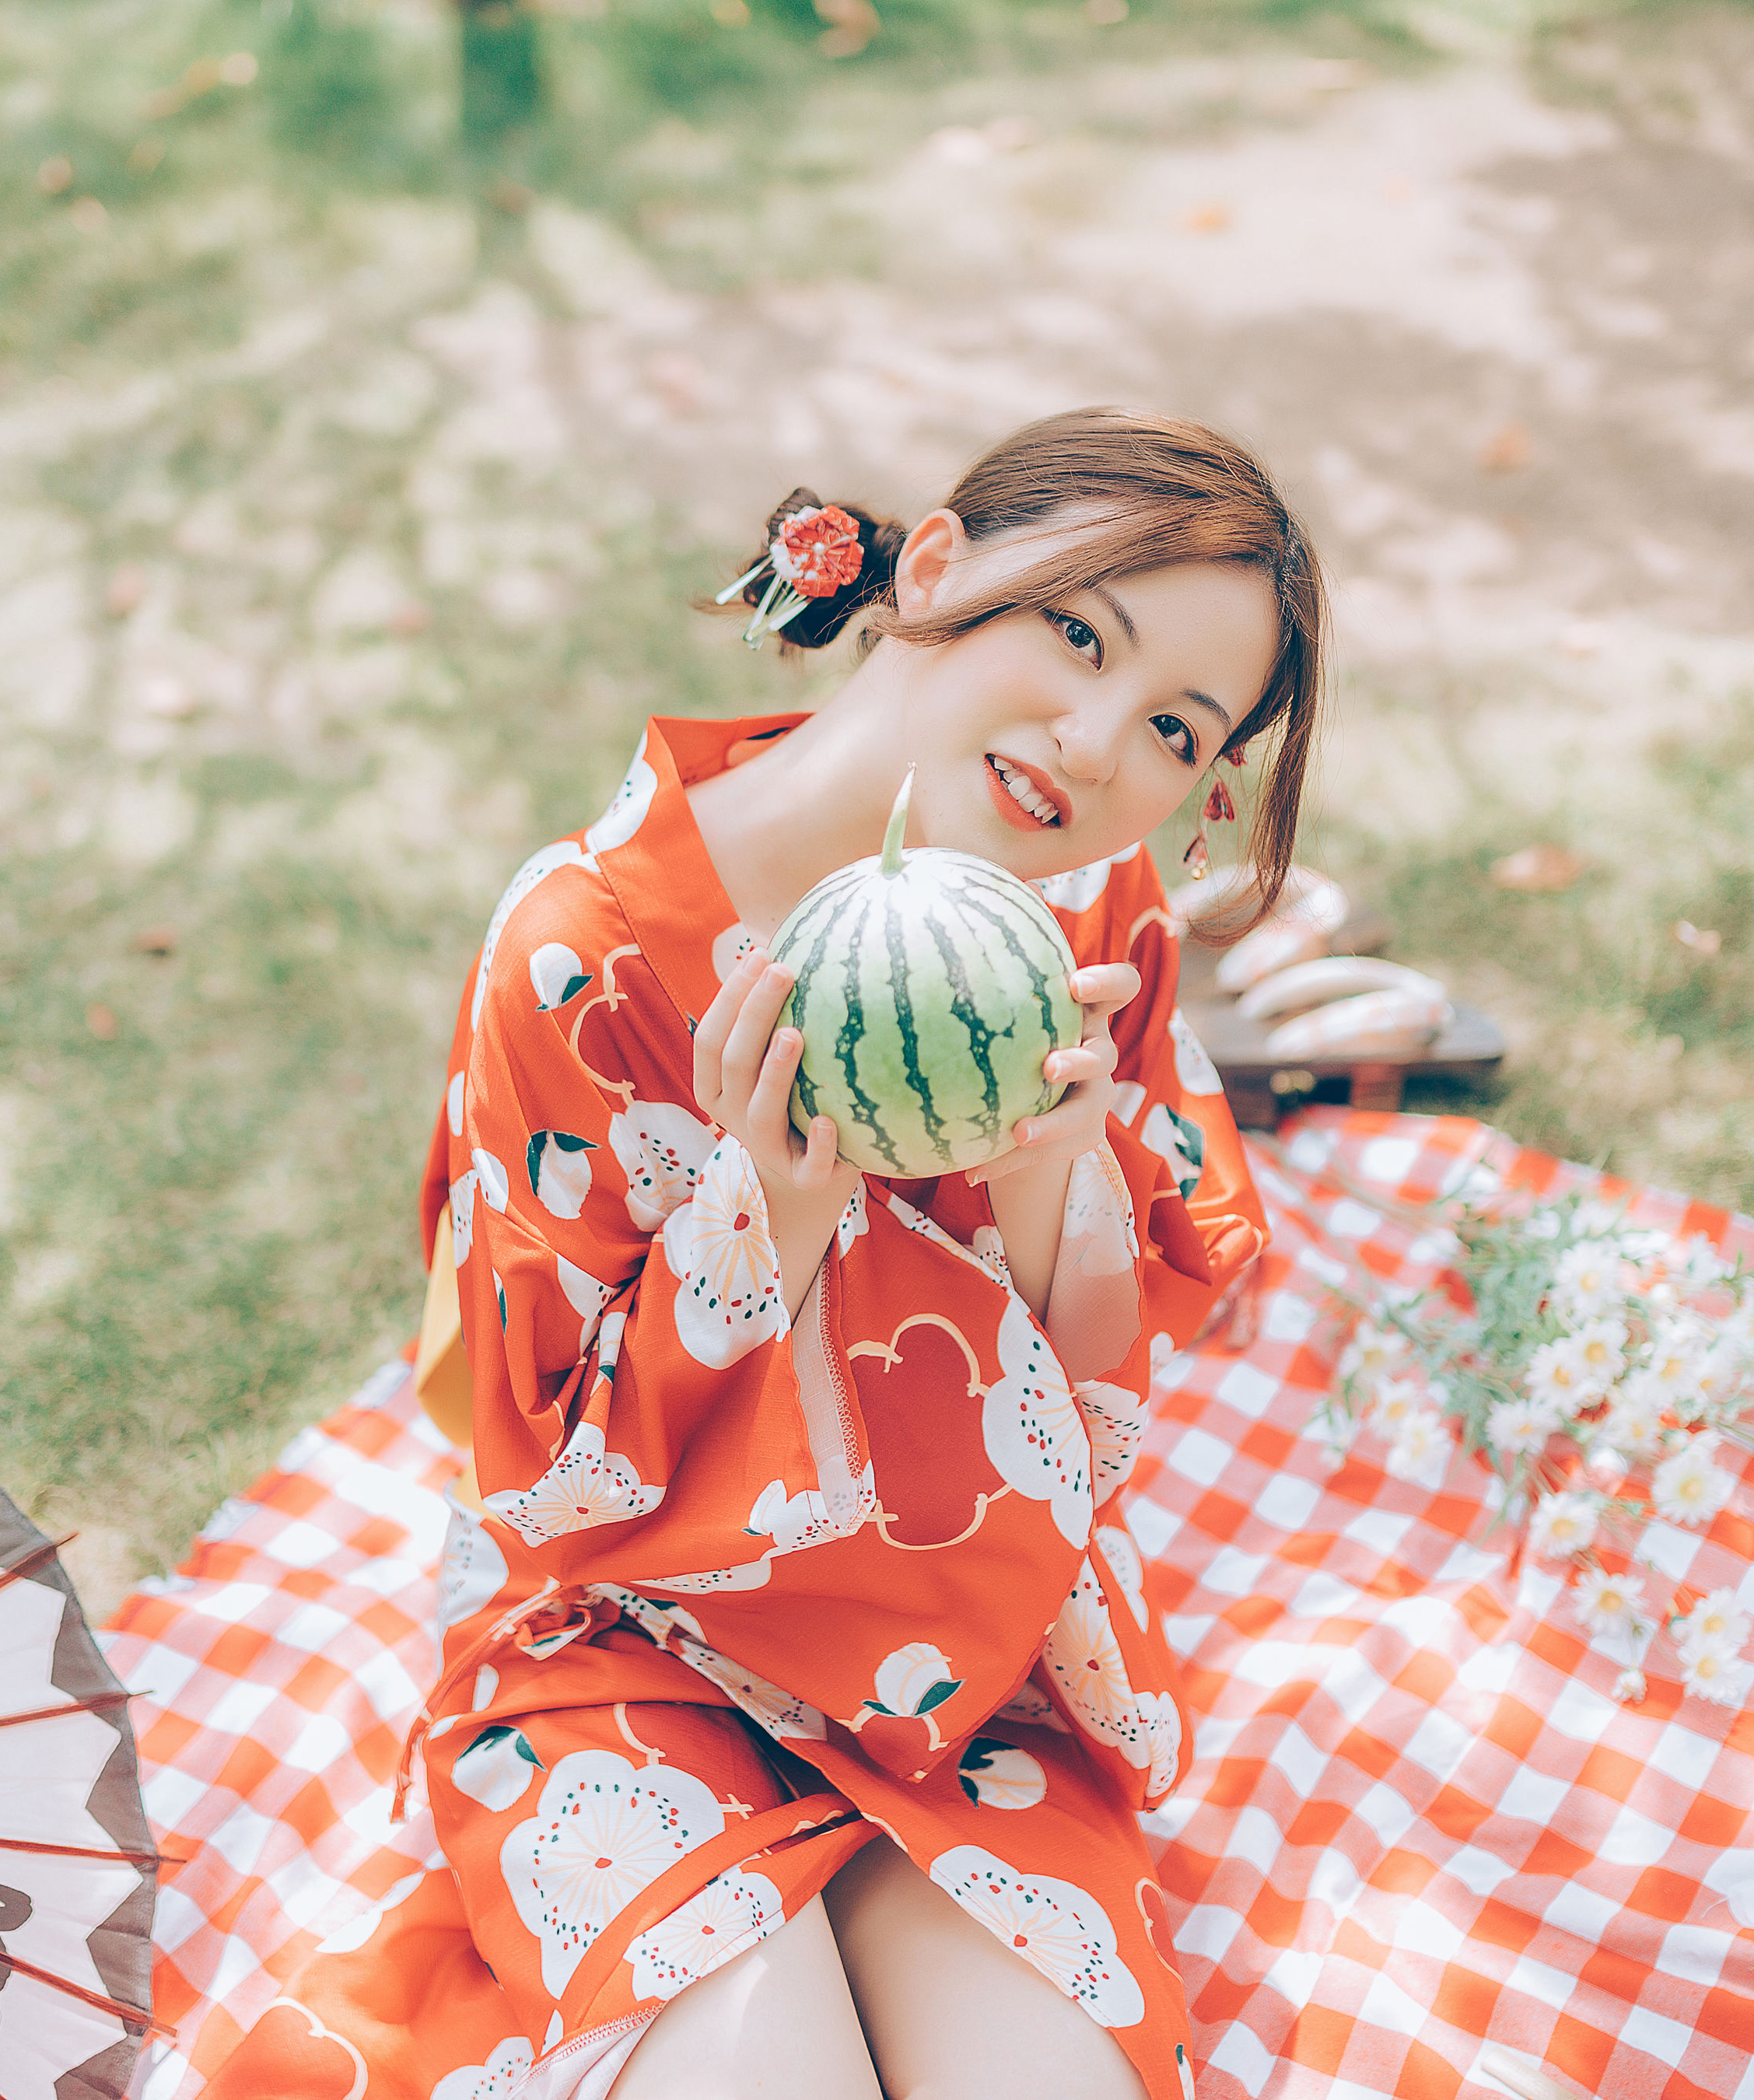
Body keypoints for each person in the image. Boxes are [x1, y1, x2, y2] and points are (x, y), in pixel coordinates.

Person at [309, 406, 1324, 2100]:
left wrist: (1046, 1178)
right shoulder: (588, 953)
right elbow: (543, 1476)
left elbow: (1093, 1432)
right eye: (1076, 632)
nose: (1090, 742)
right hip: (627, 1652)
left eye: (1170, 728)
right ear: (933, 565)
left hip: (960, 1666)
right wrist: (759, 1220)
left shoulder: (1091, 928)